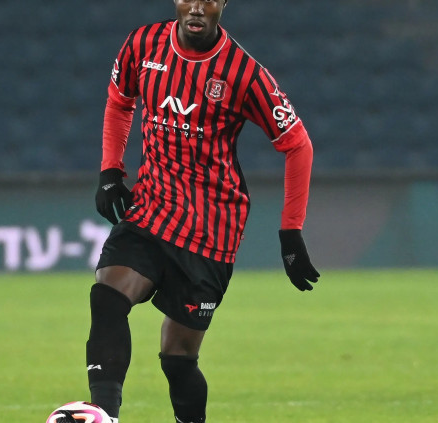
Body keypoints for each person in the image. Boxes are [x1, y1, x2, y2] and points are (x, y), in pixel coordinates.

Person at [87, 1, 320, 422]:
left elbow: (297, 144)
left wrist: (291, 232)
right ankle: (104, 414)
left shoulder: (245, 74)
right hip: (151, 209)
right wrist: (110, 170)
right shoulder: (143, 44)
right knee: (107, 296)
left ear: (223, 3)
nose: (196, 7)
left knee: (177, 358)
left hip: (210, 228)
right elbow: (120, 102)